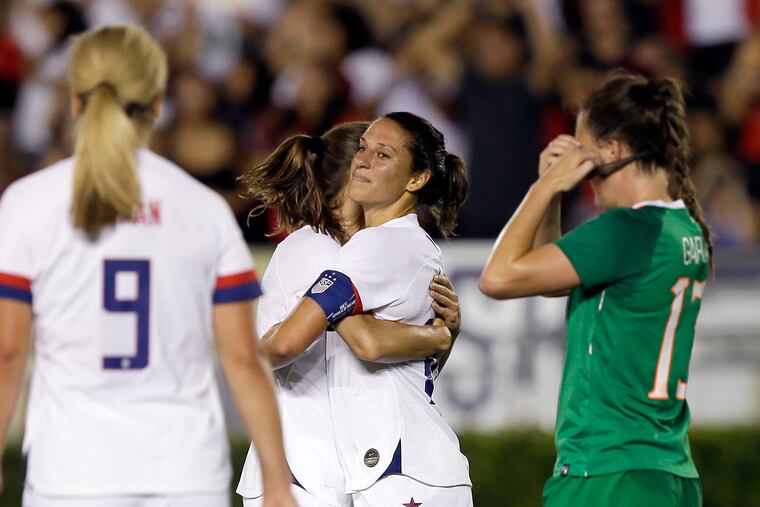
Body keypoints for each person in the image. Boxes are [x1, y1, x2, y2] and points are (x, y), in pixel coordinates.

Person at [0, 25, 295, 507]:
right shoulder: (202, 207)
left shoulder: (28, 203)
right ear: (158, 103)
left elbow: (8, 353)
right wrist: (277, 484)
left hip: (70, 474)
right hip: (185, 472)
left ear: (75, 101)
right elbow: (242, 359)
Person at [480, 71, 710, 507]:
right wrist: (554, 199)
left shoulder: (624, 230)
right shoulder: (682, 227)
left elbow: (499, 277)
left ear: (612, 151)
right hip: (667, 473)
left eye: (581, 148)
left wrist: (543, 185)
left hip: (606, 471)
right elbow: (546, 282)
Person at [235, 121, 462, 507]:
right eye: (364, 151)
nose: (367, 163)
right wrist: (438, 336)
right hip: (303, 469)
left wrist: (444, 335)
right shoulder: (321, 250)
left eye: (383, 155)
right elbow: (365, 342)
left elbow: (404, 366)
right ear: (348, 182)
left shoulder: (370, 251)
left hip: (331, 467)